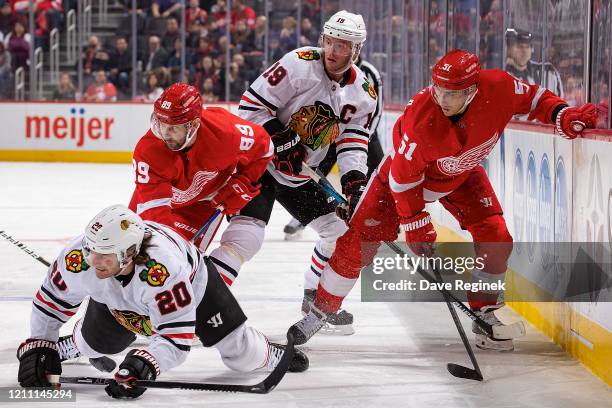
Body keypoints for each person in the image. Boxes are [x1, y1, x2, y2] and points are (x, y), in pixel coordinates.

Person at [289, 49, 598, 349]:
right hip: (399, 182)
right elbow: (402, 177)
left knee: (497, 236)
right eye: (439, 89)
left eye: (453, 93)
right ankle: (320, 311)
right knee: (357, 244)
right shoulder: (423, 117)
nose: (442, 99)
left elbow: (534, 98)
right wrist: (415, 222)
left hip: (460, 173)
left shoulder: (499, 87)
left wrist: (562, 112)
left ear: (473, 90)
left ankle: (484, 311)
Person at [16, 205, 308, 399]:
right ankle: (75, 344)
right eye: (91, 249)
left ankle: (270, 353)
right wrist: (41, 343)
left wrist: (147, 364)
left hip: (196, 287)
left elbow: (176, 335)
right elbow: (50, 303)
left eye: (103, 253)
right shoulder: (78, 258)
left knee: (241, 356)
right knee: (98, 343)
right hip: (118, 297)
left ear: (129, 251)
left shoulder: (164, 270)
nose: (92, 260)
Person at [231, 10, 377, 335]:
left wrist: (354, 181)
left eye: (345, 47)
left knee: (339, 232)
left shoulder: (363, 93)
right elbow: (250, 107)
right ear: (323, 39)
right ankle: (201, 304)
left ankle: (313, 298)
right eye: (331, 43)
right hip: (259, 166)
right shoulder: (298, 63)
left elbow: (354, 140)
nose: (335, 52)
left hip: (300, 175)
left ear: (357, 51)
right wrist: (280, 138)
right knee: (244, 239)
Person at [128, 82, 273, 279]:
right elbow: (155, 211)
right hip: (158, 203)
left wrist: (243, 181)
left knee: (184, 272)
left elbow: (264, 146)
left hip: (202, 206)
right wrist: (169, 248)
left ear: (193, 125)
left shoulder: (226, 132)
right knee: (132, 259)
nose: (164, 134)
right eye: (161, 124)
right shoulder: (148, 150)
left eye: (173, 128)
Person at [283, 54, 384, 240]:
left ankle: (383, 219)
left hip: (363, 135)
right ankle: (300, 217)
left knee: (379, 178)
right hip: (330, 134)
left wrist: (364, 139)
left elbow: (377, 110)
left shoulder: (369, 72)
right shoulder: (326, 68)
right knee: (314, 174)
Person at [505, 28, 564, 98]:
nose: (524, 51)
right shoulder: (503, 74)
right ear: (509, 49)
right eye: (520, 47)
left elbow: (560, 104)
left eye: (527, 47)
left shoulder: (548, 72)